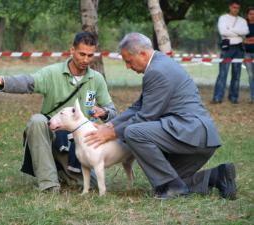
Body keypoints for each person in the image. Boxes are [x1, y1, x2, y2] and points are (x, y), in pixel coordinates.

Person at [85, 32, 237, 200]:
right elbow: (139, 106)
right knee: (171, 178)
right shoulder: (160, 63)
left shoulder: (156, 71)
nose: (127, 66)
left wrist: (111, 133)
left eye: (128, 61)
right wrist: (110, 125)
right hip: (196, 136)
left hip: (191, 134)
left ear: (142, 53)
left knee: (134, 132)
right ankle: (218, 176)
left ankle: (172, 188)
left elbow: (146, 116)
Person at [0, 31, 117, 192]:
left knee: (85, 186)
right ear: (72, 50)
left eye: (90, 55)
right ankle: (49, 184)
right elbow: (28, 82)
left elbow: (112, 112)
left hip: (81, 143)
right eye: (82, 54)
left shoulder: (97, 79)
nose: (85, 60)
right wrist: (3, 82)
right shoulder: (52, 72)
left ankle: (63, 172)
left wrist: (104, 112)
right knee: (37, 121)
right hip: (53, 134)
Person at [212, 0, 249, 104]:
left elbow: (245, 31)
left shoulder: (242, 20)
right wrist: (237, 32)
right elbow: (222, 31)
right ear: (230, 7)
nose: (235, 9)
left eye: (237, 8)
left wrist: (231, 30)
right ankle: (217, 97)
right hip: (227, 47)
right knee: (223, 73)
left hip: (239, 48)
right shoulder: (223, 18)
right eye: (233, 7)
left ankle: (233, 98)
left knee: (237, 74)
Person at [244, 6, 254, 104]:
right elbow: (241, 39)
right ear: (247, 15)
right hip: (246, 53)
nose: (252, 16)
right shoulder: (243, 24)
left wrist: (248, 40)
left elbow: (246, 40)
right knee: (251, 76)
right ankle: (252, 97)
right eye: (250, 14)